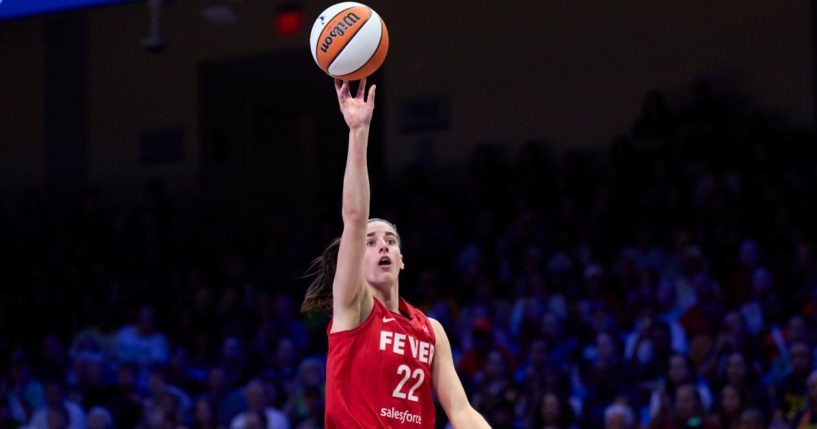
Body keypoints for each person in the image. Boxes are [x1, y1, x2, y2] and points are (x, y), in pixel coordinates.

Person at [301, 79, 491, 428]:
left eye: (390, 240)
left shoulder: (431, 330)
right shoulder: (354, 307)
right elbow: (355, 218)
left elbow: (461, 411)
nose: (382, 245)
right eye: (370, 242)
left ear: (402, 260)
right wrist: (358, 131)